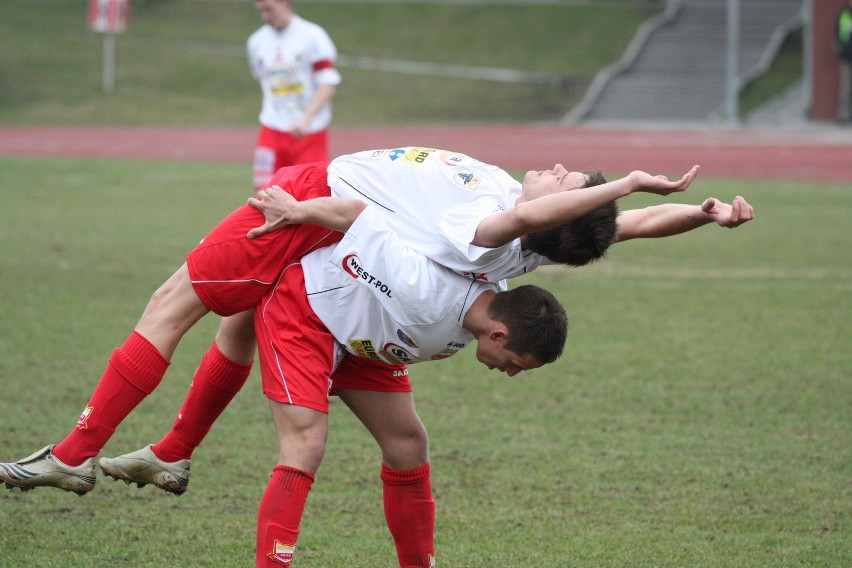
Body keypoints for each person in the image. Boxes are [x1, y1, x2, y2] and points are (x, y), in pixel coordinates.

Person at [0, 154, 748, 565]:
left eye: (570, 181)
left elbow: (563, 214)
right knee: (238, 328)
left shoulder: (492, 233)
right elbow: (632, 226)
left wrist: (621, 185)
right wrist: (704, 214)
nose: (557, 168)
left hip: (319, 205)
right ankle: (152, 452)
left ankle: (88, 454)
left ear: (556, 213)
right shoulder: (525, 248)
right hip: (337, 241)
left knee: (180, 309)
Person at [248, 0, 341, 190]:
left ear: (285, 4)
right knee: (263, 194)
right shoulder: (256, 42)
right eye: (261, 11)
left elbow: (328, 82)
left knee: (310, 195)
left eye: (269, 9)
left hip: (309, 132)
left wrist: (306, 119)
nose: (265, 16)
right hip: (272, 129)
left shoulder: (313, 36)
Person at [837, 0, 852, 121]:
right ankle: (844, 115)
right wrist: (842, 49)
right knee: (845, 88)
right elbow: (838, 34)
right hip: (846, 57)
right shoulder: (844, 15)